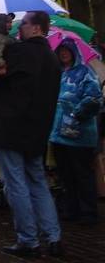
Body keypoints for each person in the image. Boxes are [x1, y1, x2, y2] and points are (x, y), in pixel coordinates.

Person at [0, 10, 63, 258]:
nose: (19, 27)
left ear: (37, 28)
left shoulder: (19, 52)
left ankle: (28, 240)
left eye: (24, 24)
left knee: (16, 184)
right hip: (38, 131)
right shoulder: (52, 59)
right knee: (38, 183)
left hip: (11, 128)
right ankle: (54, 237)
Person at [50, 37, 103, 225]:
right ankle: (71, 208)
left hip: (79, 135)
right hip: (58, 135)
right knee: (65, 174)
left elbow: (94, 99)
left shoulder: (85, 73)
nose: (64, 53)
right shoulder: (57, 74)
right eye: (61, 50)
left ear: (73, 52)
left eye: (67, 50)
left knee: (82, 173)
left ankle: (88, 211)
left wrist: (75, 114)